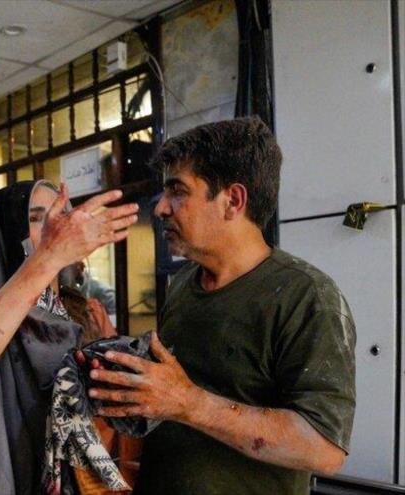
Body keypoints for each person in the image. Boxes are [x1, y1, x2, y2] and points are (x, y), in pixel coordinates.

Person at [86, 117, 356, 494]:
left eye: (177, 190)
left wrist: (189, 403)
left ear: (233, 201)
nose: (160, 208)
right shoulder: (184, 282)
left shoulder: (306, 296)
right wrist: (119, 359)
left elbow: (325, 450)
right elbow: (172, 392)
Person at [0, 180, 140, 494]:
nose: (53, 228)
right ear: (4, 231)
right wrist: (49, 256)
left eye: (60, 218)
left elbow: (115, 404)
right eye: (35, 218)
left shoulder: (82, 311)